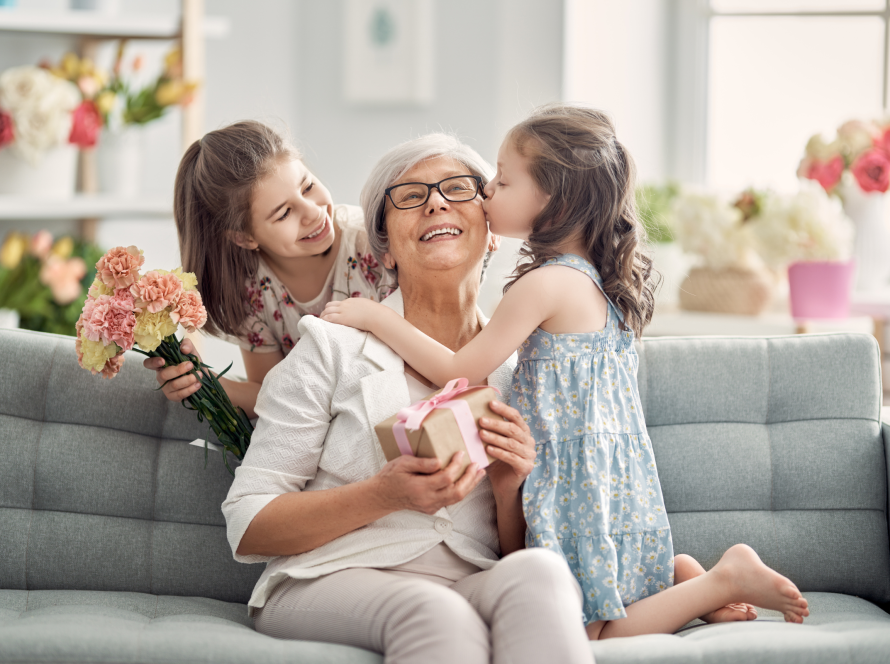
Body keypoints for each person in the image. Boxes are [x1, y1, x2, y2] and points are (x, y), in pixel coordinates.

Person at [321, 104, 810, 639]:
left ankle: (720, 581)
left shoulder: (546, 284)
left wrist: (374, 316)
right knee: (601, 593)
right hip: (609, 464)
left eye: (502, 182)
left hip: (574, 468)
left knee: (591, 633)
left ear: (551, 200)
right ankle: (680, 576)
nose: (486, 194)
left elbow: (459, 369)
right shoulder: (596, 282)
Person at [221, 133, 595, 664]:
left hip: (469, 580)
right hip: (329, 578)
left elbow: (513, 550)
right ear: (387, 248)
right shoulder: (331, 348)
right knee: (433, 611)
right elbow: (249, 521)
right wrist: (383, 494)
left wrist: (511, 488)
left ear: (491, 231)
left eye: (456, 189)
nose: (436, 202)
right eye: (410, 196)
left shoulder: (526, 371)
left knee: (541, 572)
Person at [143, 121, 389, 417]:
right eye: (284, 213)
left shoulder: (374, 242)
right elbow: (270, 392)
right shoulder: (252, 294)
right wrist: (204, 383)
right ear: (244, 238)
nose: (313, 212)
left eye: (308, 187)